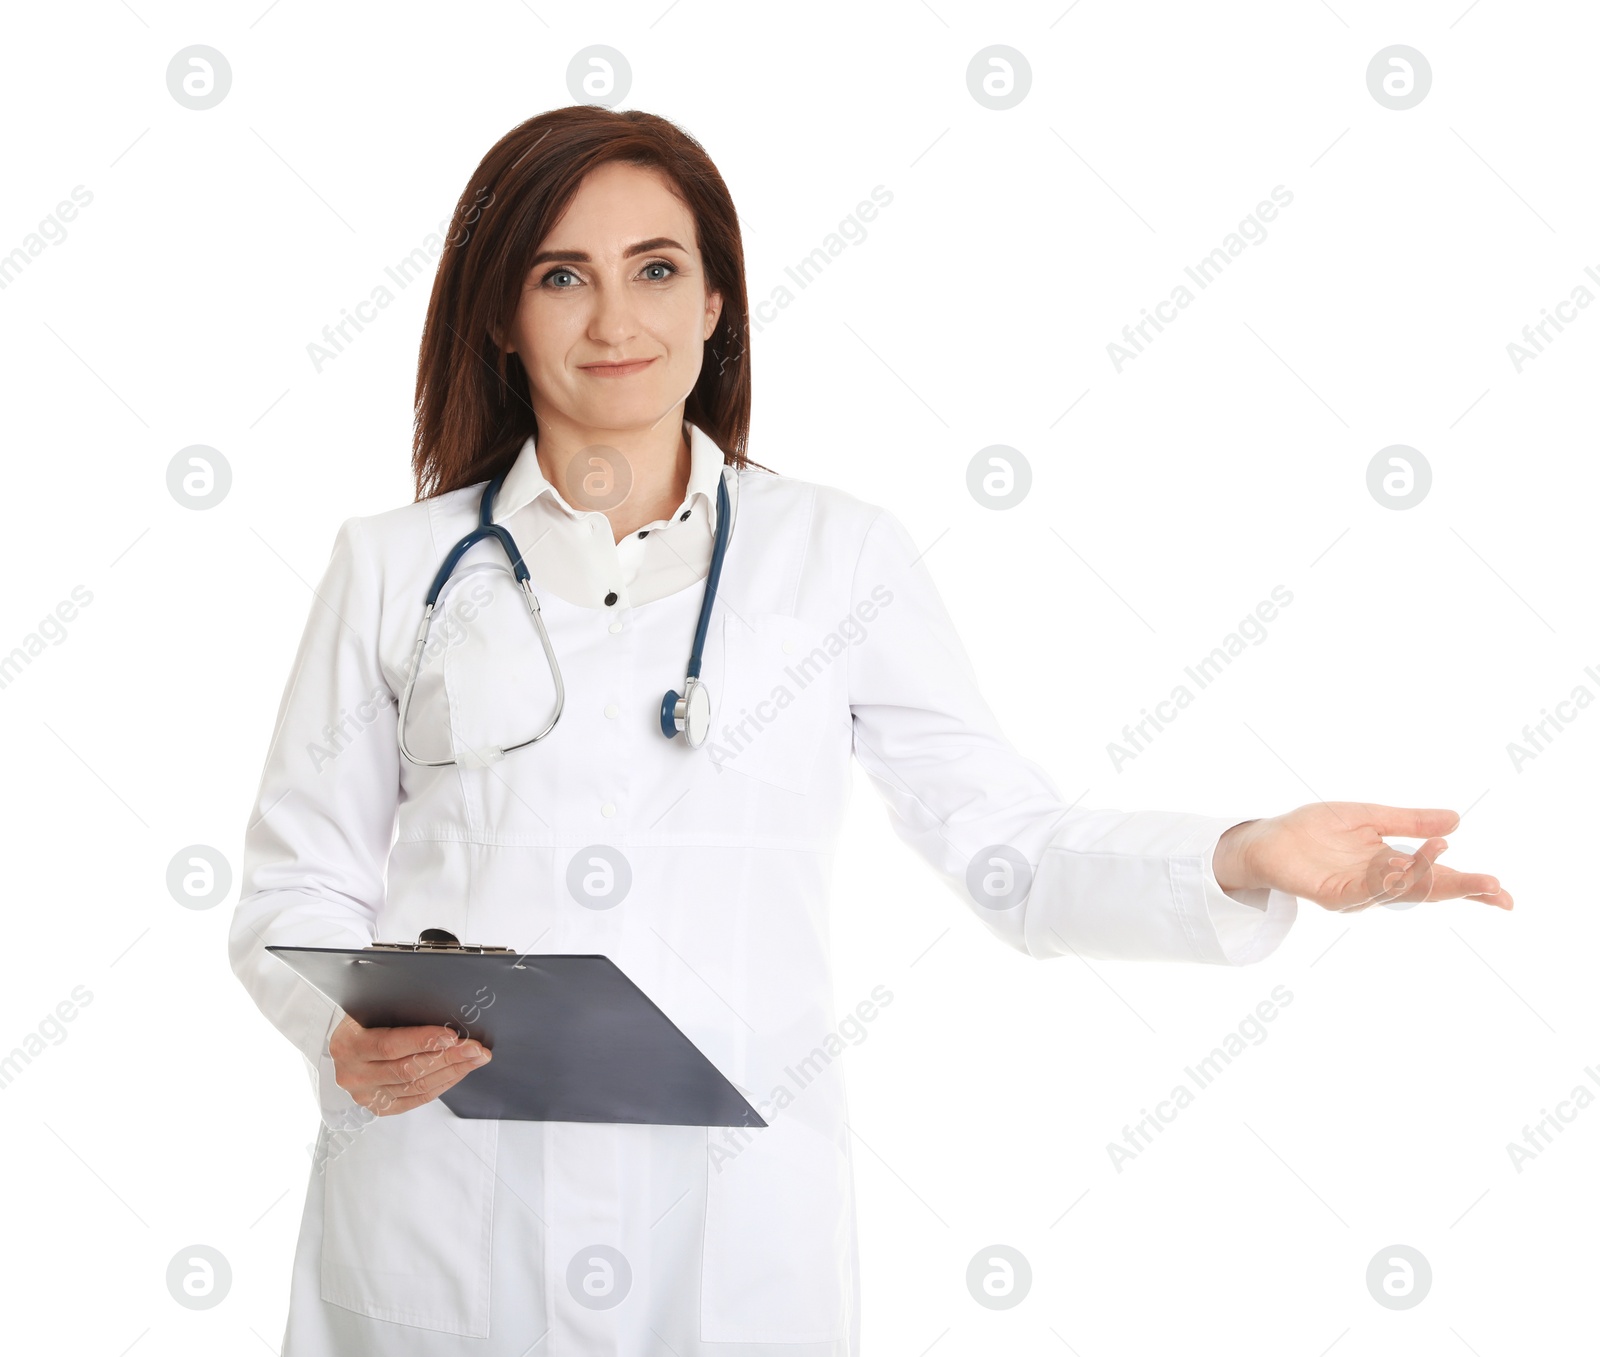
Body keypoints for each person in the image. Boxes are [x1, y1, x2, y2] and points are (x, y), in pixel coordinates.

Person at [229, 105, 1511, 1357]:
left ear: (717, 302)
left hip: (728, 1227)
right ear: (503, 317)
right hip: (446, 1204)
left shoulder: (837, 559)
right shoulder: (397, 567)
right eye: (563, 276)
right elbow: (294, 886)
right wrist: (342, 1033)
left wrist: (1239, 854)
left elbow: (1007, 848)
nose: (616, 320)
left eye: (657, 269)